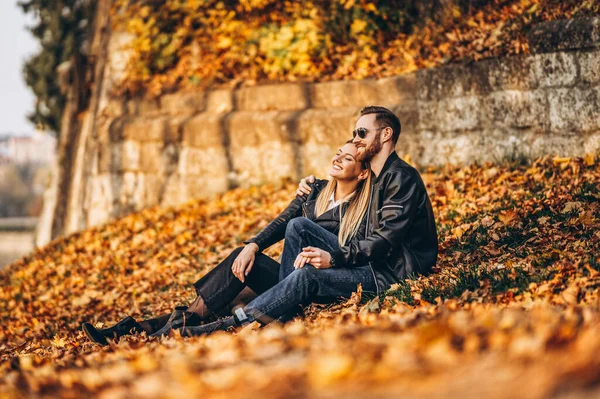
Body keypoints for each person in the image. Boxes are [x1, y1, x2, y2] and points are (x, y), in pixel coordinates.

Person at [152, 105, 437, 338]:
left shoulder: (400, 177)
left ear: (386, 134)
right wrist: (256, 242)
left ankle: (228, 324)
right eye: (354, 133)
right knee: (293, 228)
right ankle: (183, 318)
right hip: (367, 261)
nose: (356, 138)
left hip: (388, 272)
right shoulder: (370, 179)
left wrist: (334, 257)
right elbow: (327, 194)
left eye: (362, 132)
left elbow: (386, 240)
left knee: (304, 274)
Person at [82, 141, 373, 345]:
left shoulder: (361, 208)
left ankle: (153, 329)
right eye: (338, 153)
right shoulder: (316, 189)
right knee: (241, 261)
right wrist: (252, 246)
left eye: (347, 158)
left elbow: (354, 251)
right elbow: (281, 222)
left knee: (235, 296)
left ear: (361, 172)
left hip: (311, 283)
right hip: (286, 271)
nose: (337, 158)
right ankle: (141, 329)